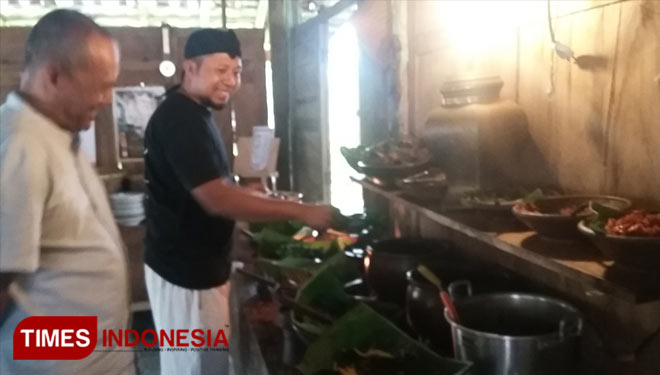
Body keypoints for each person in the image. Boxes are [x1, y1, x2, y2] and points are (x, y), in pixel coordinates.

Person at [143, 29, 338, 375]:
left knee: (210, 365)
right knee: (196, 369)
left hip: (199, 271)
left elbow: (213, 185)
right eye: (221, 70)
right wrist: (303, 211)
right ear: (190, 67)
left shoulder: (195, 114)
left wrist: (251, 196)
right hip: (187, 276)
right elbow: (215, 200)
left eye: (235, 71)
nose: (231, 81)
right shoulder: (180, 120)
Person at [0, 9, 135, 375]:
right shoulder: (20, 145)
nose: (108, 99)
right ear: (54, 76)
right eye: (102, 85)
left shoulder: (53, 134)